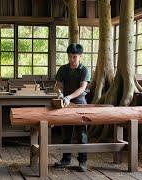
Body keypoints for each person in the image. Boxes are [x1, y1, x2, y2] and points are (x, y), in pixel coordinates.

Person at [53, 43, 91, 172]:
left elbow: (82, 87)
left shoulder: (84, 70)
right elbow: (57, 85)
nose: (72, 59)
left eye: (74, 57)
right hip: (66, 104)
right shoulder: (63, 69)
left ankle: (82, 161)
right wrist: (60, 93)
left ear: (80, 56)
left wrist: (69, 96)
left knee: (82, 134)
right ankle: (66, 159)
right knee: (66, 133)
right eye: (70, 56)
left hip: (80, 104)